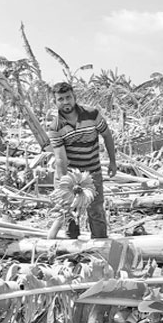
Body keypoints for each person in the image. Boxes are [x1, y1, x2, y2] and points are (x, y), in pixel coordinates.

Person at [47, 82, 117, 239]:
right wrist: (65, 184)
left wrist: (112, 162)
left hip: (93, 171)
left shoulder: (92, 114)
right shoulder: (55, 127)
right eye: (61, 99)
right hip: (71, 174)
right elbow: (60, 158)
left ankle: (100, 245)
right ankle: (72, 247)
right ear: (55, 102)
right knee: (70, 212)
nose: (65, 102)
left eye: (68, 97)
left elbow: (107, 135)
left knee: (96, 209)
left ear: (74, 97)